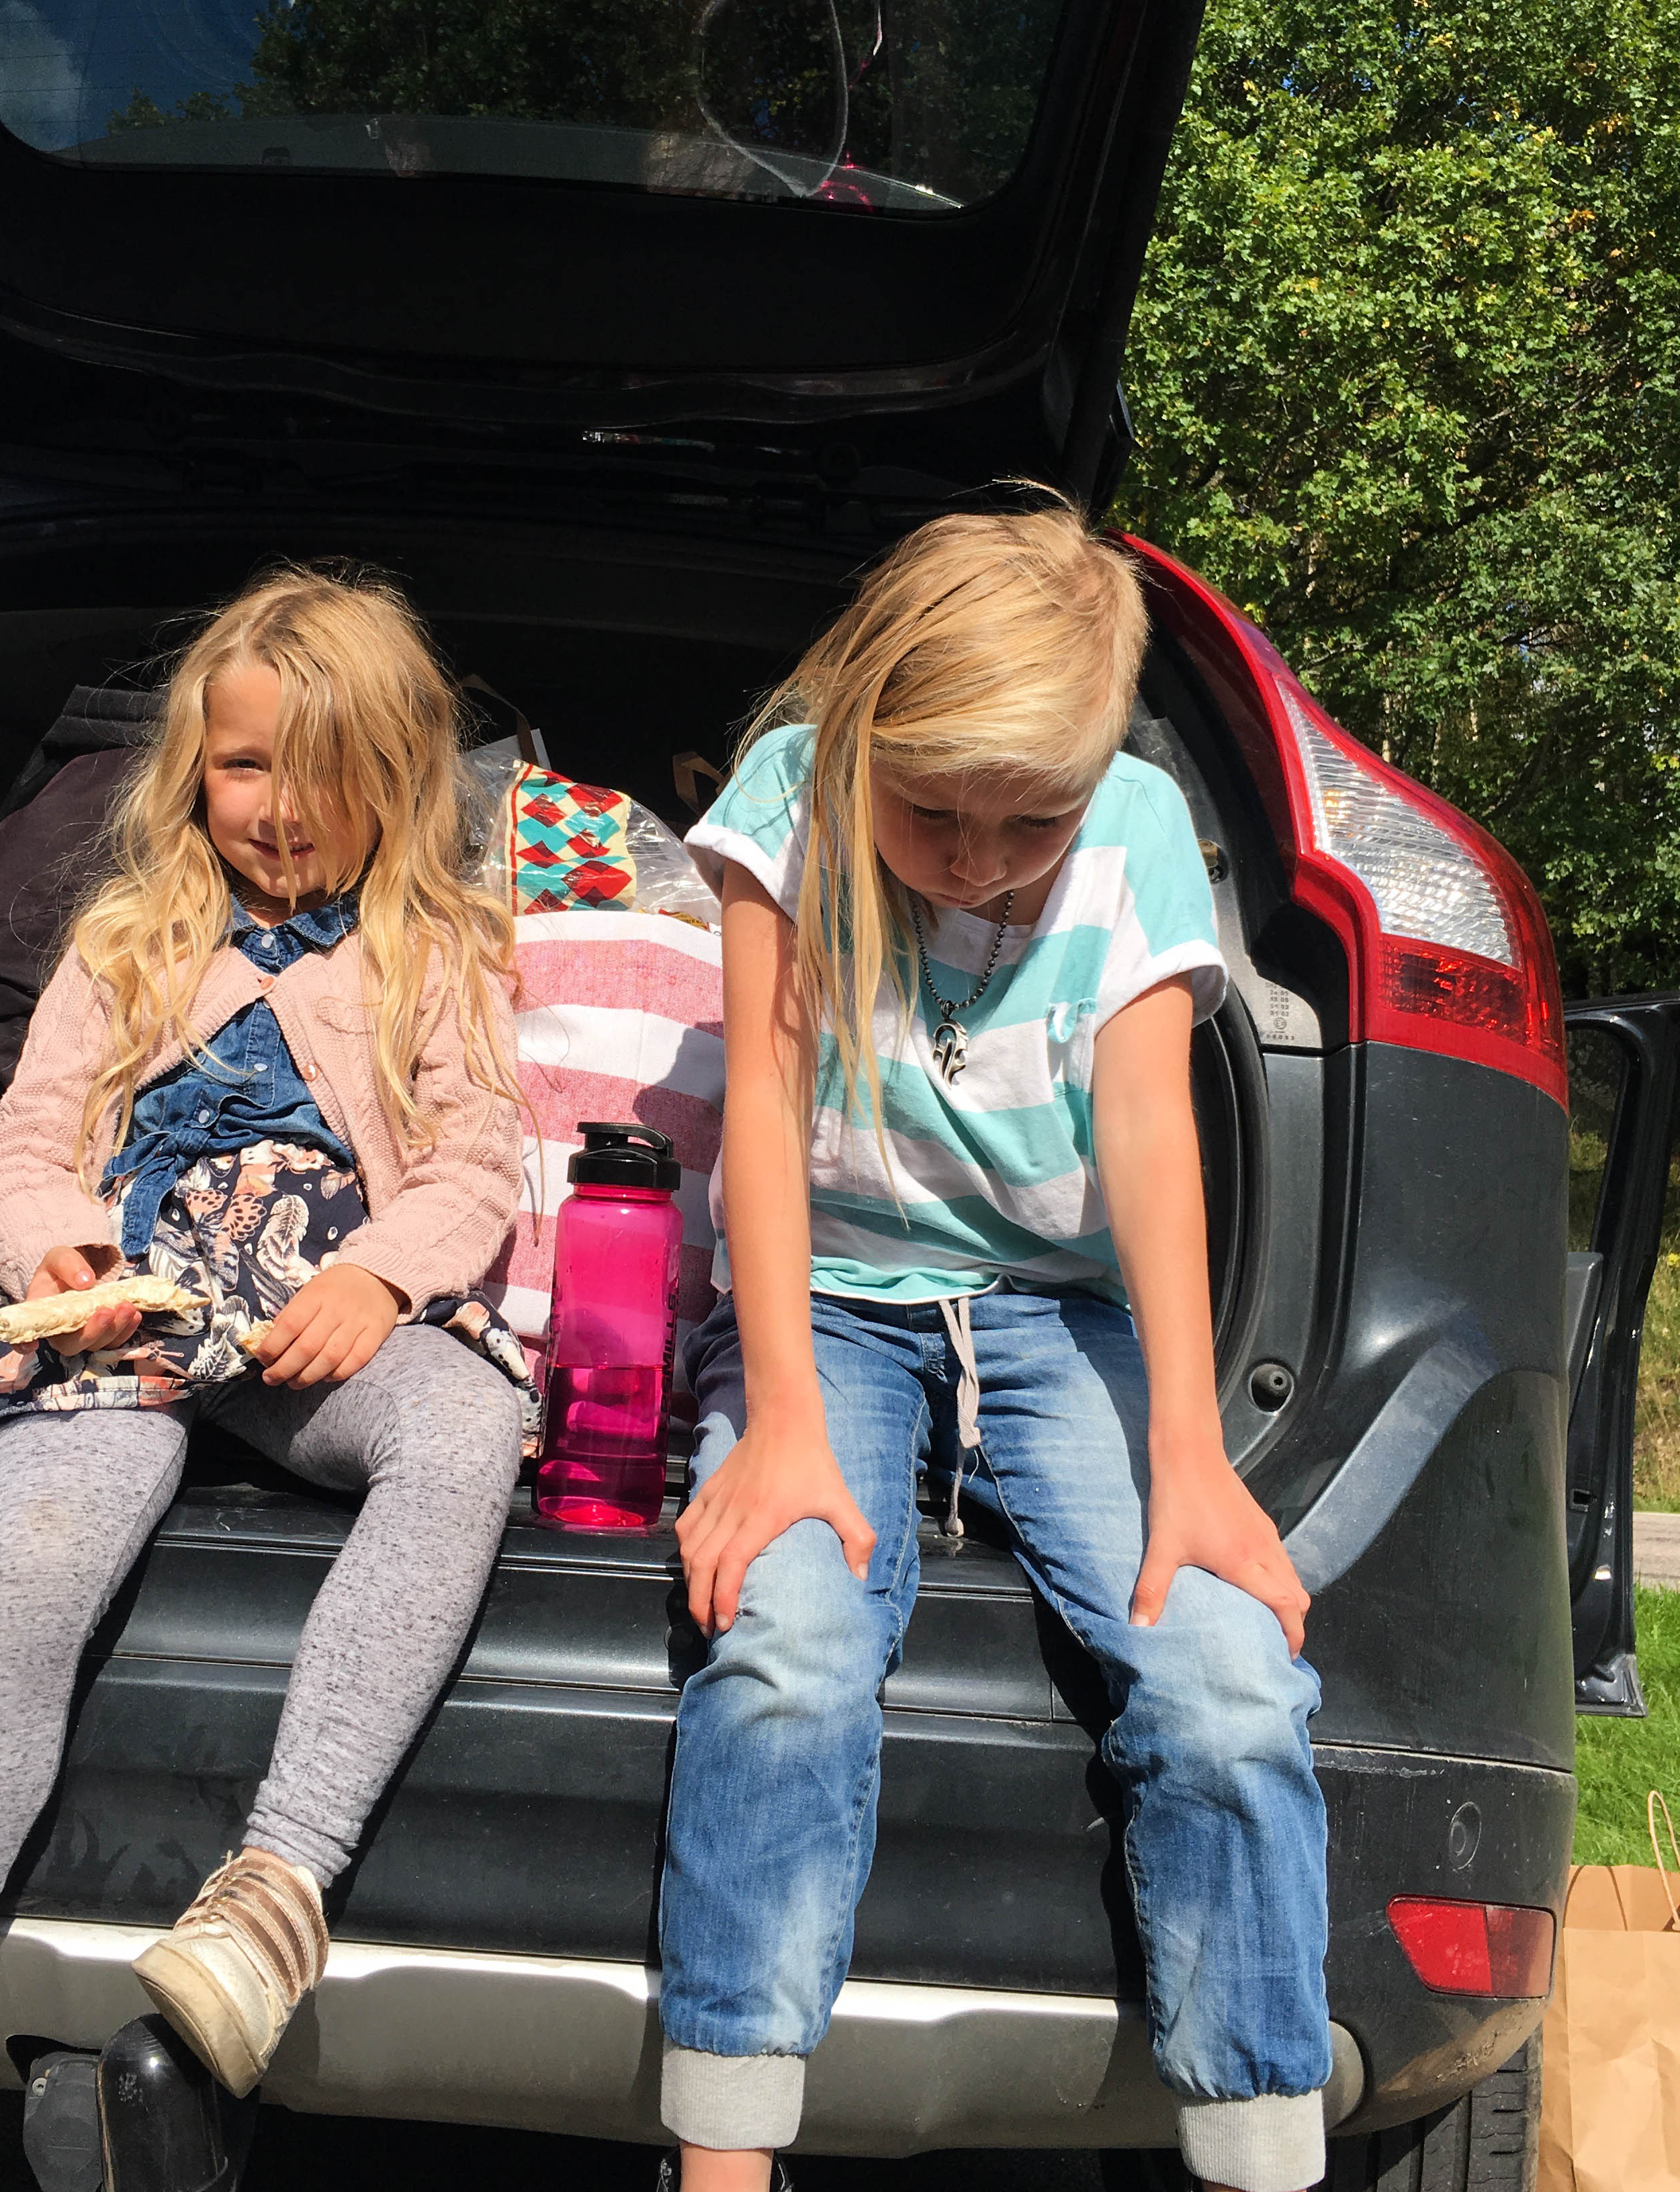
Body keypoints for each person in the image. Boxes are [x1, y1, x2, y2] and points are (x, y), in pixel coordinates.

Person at [0, 570, 530, 2192]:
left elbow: (477, 1166)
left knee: (468, 1421)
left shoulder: (438, 949)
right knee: (34, 1563)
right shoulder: (130, 935)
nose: (277, 809)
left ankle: (273, 1893)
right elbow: (28, 1147)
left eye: (321, 772)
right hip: (129, 1309)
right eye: (242, 765)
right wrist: (57, 1250)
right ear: (193, 768)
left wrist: (379, 1278)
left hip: (311, 1318)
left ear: (399, 779)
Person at [663, 505, 1327, 2192]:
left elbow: (1154, 1140)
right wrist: (783, 1417)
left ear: (1096, 772)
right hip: (831, 1307)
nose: (975, 860)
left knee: (1231, 1679)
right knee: (790, 1642)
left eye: (1029, 820)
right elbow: (760, 1103)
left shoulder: (1142, 825)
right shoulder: (796, 795)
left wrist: (1193, 1458)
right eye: (932, 811)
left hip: (1056, 1311)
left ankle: (1258, 2158)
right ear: (865, 725)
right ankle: (725, 2159)